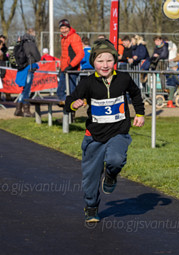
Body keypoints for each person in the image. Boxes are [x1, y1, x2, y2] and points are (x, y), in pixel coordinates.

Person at [64, 39, 145, 223]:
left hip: (118, 133)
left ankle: (110, 175)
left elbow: (135, 93)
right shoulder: (87, 82)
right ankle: (91, 207)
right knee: (90, 178)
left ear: (114, 61)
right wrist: (73, 104)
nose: (105, 65)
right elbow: (70, 99)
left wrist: (139, 113)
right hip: (94, 137)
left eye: (109, 60)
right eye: (100, 61)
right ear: (93, 62)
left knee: (116, 160)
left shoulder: (123, 78)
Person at [14, 28, 41, 117]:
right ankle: (26, 110)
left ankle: (18, 109)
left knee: (24, 89)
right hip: (29, 67)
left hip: (22, 67)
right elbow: (37, 57)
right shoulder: (30, 43)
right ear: (32, 34)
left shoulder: (22, 42)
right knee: (27, 90)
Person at [57, 18, 84, 103]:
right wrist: (61, 68)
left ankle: (71, 111)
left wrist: (71, 65)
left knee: (70, 92)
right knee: (60, 92)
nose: (63, 30)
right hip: (64, 69)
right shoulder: (63, 39)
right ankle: (69, 109)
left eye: (65, 28)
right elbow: (63, 56)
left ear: (69, 28)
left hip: (72, 70)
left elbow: (80, 54)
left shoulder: (74, 37)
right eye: (62, 28)